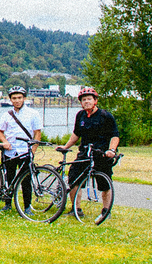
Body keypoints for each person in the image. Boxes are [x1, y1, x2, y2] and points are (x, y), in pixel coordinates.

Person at [56, 86, 120, 222]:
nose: (86, 102)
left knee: (104, 183)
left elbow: (115, 135)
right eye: (84, 100)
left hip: (101, 153)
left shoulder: (105, 116)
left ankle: (106, 210)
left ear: (95, 100)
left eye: (89, 99)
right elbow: (76, 134)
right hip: (85, 152)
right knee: (73, 178)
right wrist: (66, 146)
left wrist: (112, 150)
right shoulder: (80, 115)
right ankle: (76, 209)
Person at [0, 85, 42, 212]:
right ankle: (7, 204)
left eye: (19, 98)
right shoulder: (7, 115)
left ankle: (27, 207)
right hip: (10, 151)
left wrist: (33, 151)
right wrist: (4, 142)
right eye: (14, 98)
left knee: (26, 180)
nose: (17, 100)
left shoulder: (33, 114)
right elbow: (0, 132)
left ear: (24, 98)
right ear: (10, 100)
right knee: (9, 178)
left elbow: (37, 133)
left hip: (25, 151)